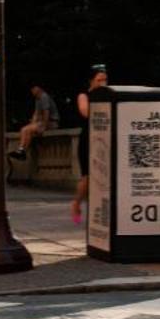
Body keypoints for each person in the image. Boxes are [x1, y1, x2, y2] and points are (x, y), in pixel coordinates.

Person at [74, 65, 108, 224]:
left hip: (104, 140)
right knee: (87, 177)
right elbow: (85, 112)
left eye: (104, 80)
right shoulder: (84, 95)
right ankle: (76, 204)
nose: (102, 83)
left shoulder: (109, 96)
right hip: (88, 140)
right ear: (91, 81)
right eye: (99, 80)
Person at [18, 82, 60, 156]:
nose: (32, 92)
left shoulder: (44, 97)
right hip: (43, 122)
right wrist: (32, 124)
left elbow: (46, 113)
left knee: (25, 129)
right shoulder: (37, 99)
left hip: (51, 122)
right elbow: (36, 113)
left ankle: (22, 151)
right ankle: (22, 150)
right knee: (26, 130)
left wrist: (43, 126)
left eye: (33, 89)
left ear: (38, 88)